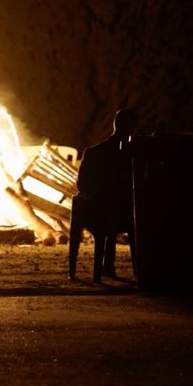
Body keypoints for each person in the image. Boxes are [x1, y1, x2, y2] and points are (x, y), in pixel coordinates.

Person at [69, 108, 139, 282]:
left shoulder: (92, 152)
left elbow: (81, 185)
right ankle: (138, 270)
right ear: (130, 127)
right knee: (126, 214)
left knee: (112, 210)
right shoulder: (131, 156)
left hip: (95, 211)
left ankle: (102, 268)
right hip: (117, 213)